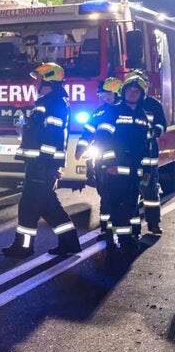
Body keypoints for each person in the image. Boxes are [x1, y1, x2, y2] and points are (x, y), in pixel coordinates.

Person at [2, 62, 81, 257]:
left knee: (29, 205)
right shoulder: (48, 103)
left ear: (49, 81)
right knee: (47, 205)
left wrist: (44, 163)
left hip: (43, 164)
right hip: (40, 163)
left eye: (38, 79)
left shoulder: (54, 105)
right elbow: (41, 134)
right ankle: (69, 242)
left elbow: (52, 137)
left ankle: (24, 246)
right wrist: (24, 132)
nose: (35, 83)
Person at [91, 75, 152, 256]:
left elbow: (146, 145)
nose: (132, 93)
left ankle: (118, 238)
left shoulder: (142, 116)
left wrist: (147, 169)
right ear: (123, 92)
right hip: (115, 170)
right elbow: (103, 139)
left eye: (136, 91)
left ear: (141, 95)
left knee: (130, 206)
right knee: (118, 206)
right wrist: (110, 163)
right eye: (129, 90)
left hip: (134, 171)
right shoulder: (113, 112)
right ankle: (123, 240)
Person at [74, 77, 122, 239]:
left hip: (121, 162)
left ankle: (121, 229)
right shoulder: (99, 112)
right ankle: (106, 229)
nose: (105, 97)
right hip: (101, 162)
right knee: (104, 194)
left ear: (117, 93)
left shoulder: (125, 111)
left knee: (119, 196)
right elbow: (87, 132)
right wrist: (80, 148)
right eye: (103, 95)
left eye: (108, 94)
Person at [130, 70, 166, 235]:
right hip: (130, 158)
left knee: (150, 193)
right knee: (130, 194)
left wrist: (152, 132)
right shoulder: (124, 104)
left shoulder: (153, 104)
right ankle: (133, 228)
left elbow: (162, 125)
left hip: (149, 158)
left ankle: (153, 223)